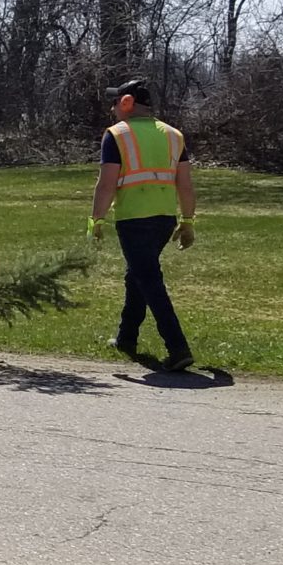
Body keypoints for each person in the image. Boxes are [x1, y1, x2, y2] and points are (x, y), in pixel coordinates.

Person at [88, 78, 196, 373]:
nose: (112, 109)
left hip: (133, 219)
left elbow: (107, 183)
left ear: (127, 103)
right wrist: (187, 221)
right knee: (137, 274)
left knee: (148, 278)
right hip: (164, 218)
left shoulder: (116, 135)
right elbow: (185, 185)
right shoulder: (174, 135)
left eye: (115, 102)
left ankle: (177, 347)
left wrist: (96, 219)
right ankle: (127, 338)